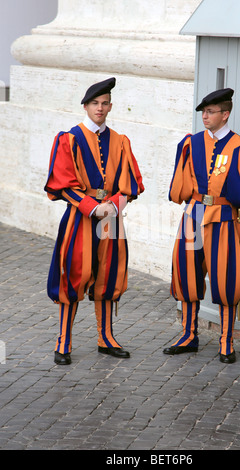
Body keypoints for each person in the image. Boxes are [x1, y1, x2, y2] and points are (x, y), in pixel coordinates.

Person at [45, 77, 144, 365]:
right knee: (75, 274)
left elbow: (131, 183)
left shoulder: (120, 142)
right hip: (80, 216)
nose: (99, 108)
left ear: (110, 106)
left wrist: (114, 205)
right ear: (86, 106)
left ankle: (106, 338)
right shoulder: (70, 138)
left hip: (111, 217)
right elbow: (61, 183)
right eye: (94, 104)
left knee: (108, 274)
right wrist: (92, 207)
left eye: (104, 103)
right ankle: (64, 341)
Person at [163, 88, 240, 363]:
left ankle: (226, 340)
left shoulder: (239, 146)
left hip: (222, 217)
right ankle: (188, 335)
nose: (205, 116)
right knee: (187, 273)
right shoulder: (192, 143)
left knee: (226, 277)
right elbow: (180, 187)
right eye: (203, 112)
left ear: (225, 114)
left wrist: (236, 216)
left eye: (210, 112)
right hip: (193, 214)